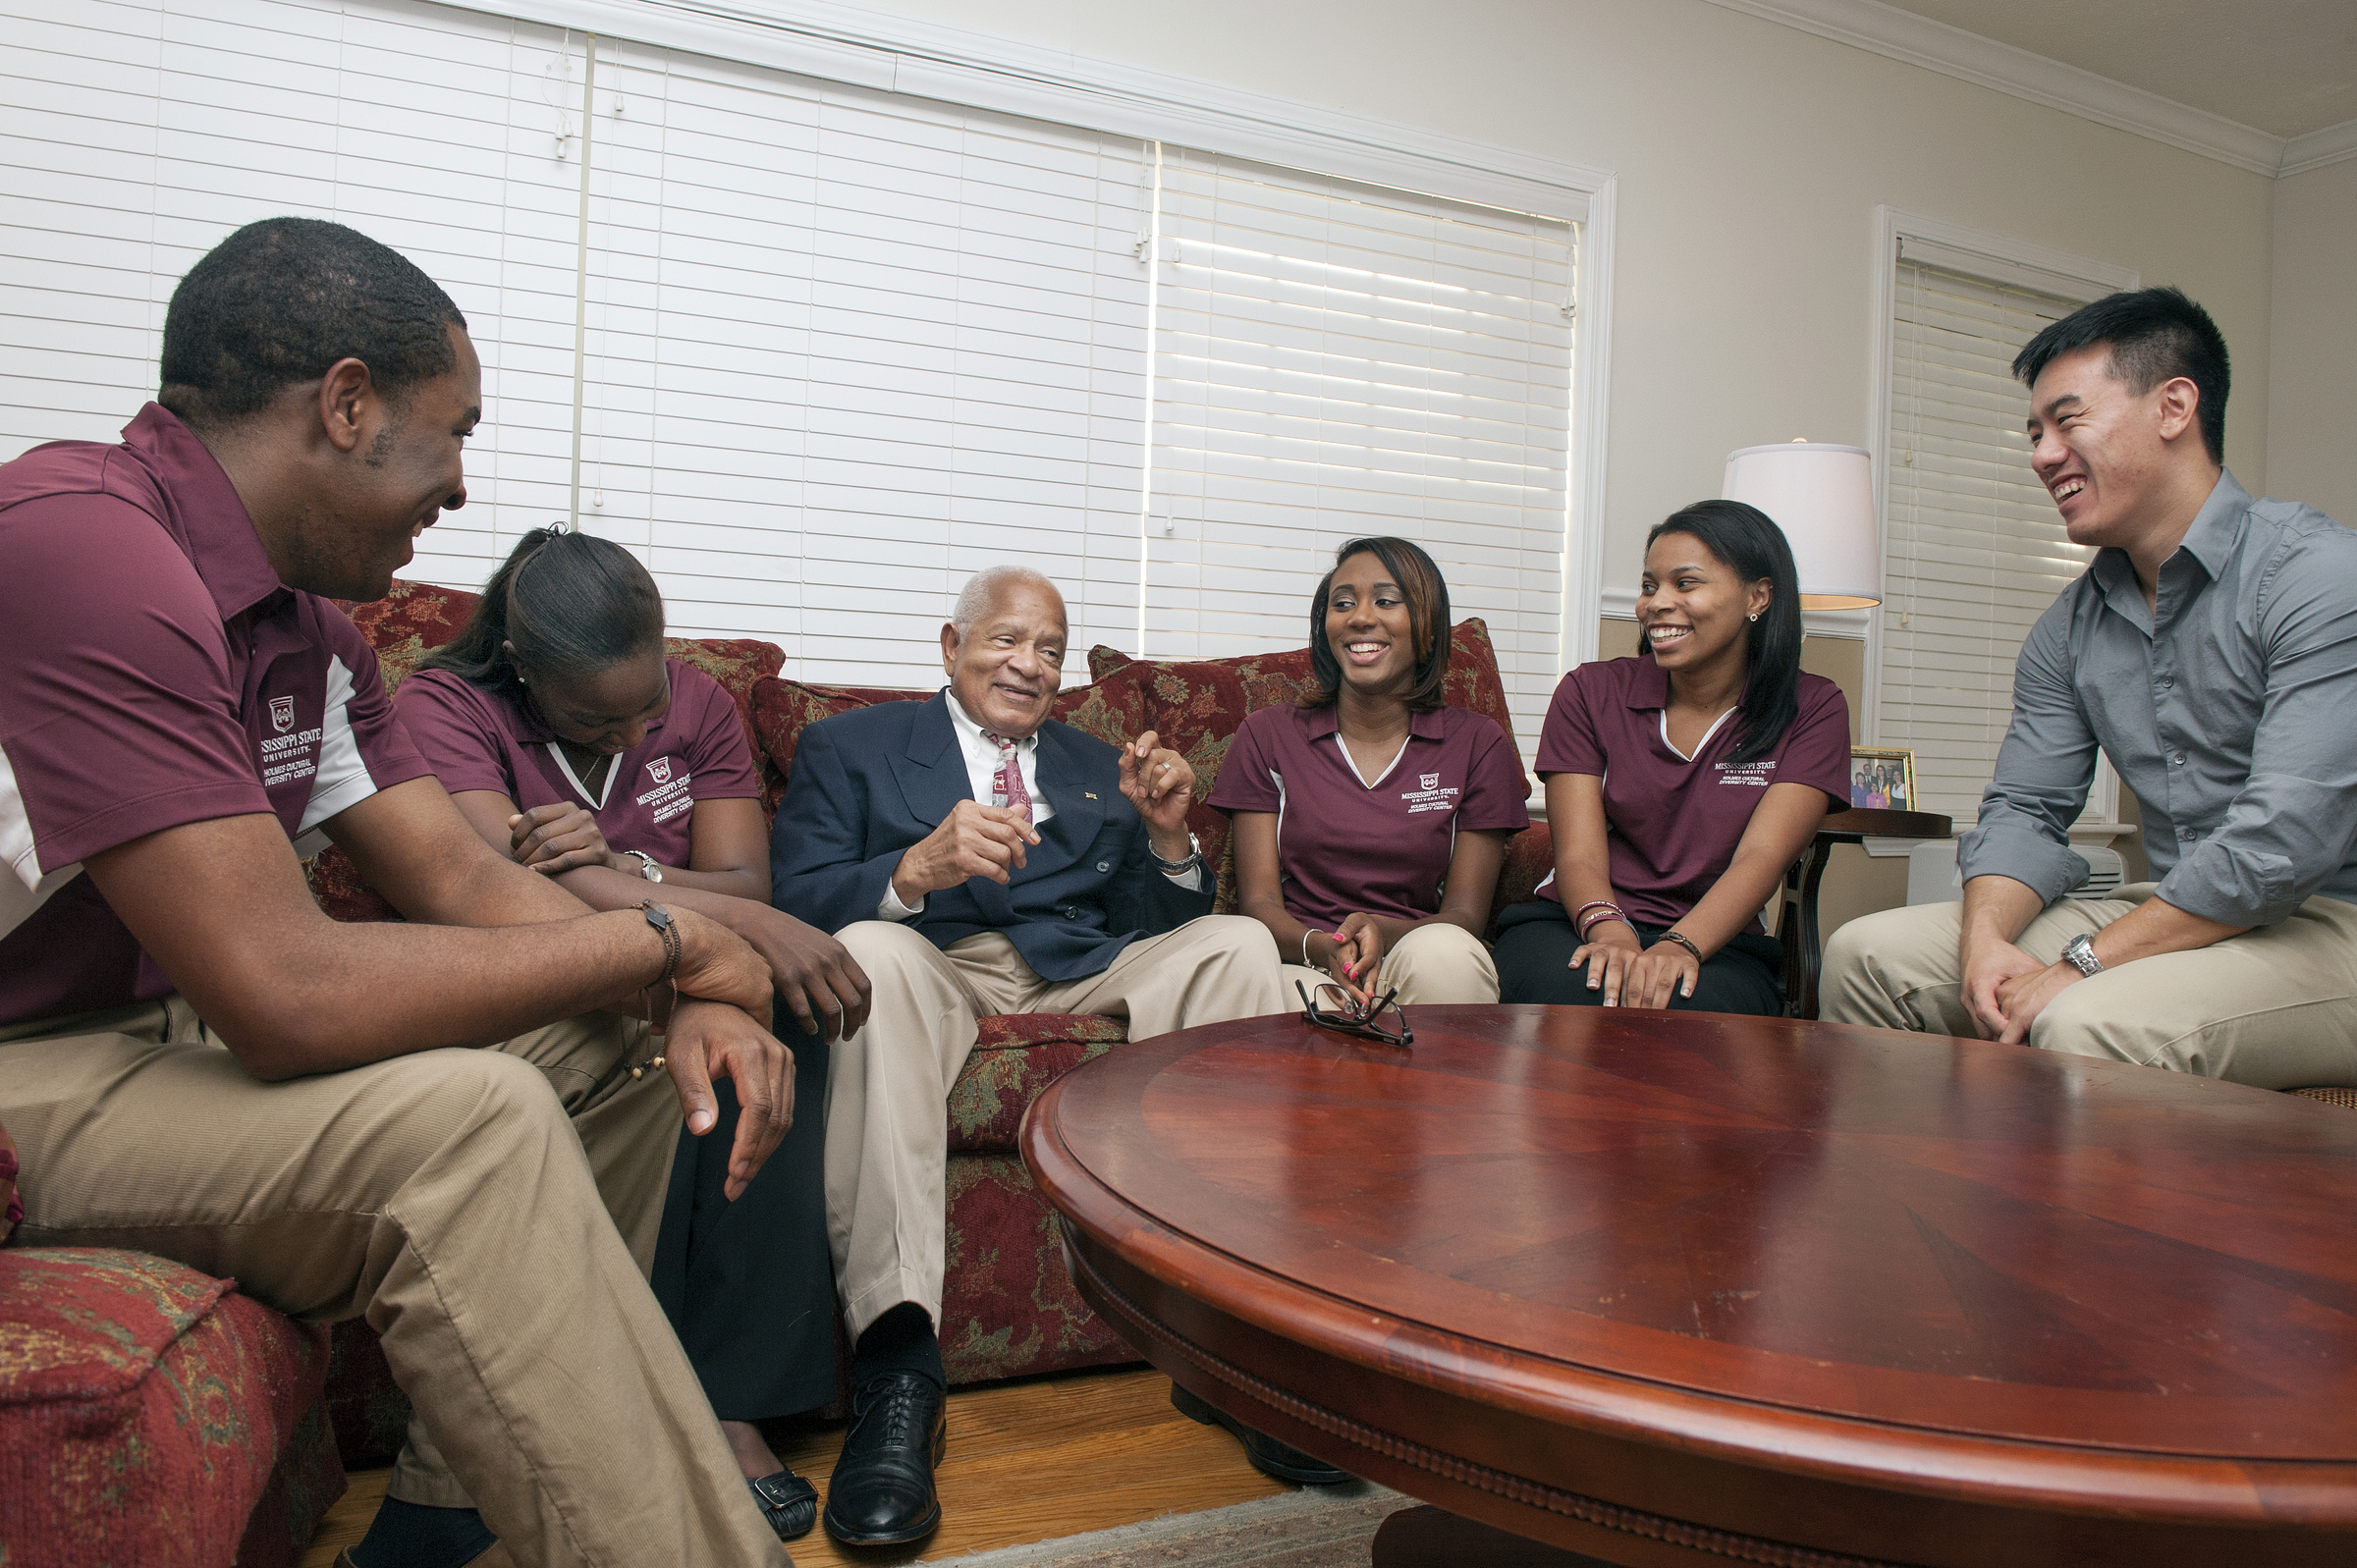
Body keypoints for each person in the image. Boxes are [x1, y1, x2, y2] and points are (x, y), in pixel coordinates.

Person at [0, 217, 793, 1567]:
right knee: (466, 1117)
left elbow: (466, 885)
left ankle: (446, 1513)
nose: (467, 491)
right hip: (26, 1073)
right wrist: (671, 947)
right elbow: (287, 995)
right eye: (454, 430)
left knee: (606, 1053)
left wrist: (674, 989)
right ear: (348, 402)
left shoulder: (310, 634)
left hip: (158, 1045)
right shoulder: (82, 547)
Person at [772, 566, 1292, 1543]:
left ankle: (1234, 1347)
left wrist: (1171, 840)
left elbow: (1143, 926)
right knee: (872, 956)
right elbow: (791, 904)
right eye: (1007, 639)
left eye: (1050, 649)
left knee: (1238, 943)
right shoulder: (851, 746)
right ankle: (896, 1368)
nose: (1030, 663)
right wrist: (910, 872)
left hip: (1071, 968)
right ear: (950, 645)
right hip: (935, 958)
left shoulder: (1096, 766)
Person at [393, 526, 871, 1543]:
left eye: (644, 705)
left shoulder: (696, 702)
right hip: (530, 980)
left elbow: (747, 884)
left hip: (670, 954)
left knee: (784, 1005)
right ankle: (627, 1402)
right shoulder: (446, 706)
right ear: (526, 674)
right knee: (688, 1018)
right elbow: (499, 890)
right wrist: (682, 921)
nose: (629, 733)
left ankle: (731, 1398)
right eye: (594, 719)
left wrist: (620, 865)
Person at [1824, 288, 2357, 1086]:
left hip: (2327, 921)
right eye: (2035, 431)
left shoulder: (2317, 575)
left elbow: (2282, 842)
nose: (2041, 453)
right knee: (1866, 954)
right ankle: (1917, 1205)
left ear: (2175, 406)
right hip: (2177, 905)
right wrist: (1986, 942)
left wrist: (2081, 962)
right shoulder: (2068, 627)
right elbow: (2026, 809)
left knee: (2084, 1020)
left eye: (2067, 421)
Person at [1496, 501, 1850, 1013]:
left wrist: (1680, 946)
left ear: (1758, 595)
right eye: (1648, 586)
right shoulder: (1589, 692)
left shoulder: (1814, 707)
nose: (1655, 603)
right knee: (1584, 991)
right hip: (1577, 921)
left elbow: (1761, 859)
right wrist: (1610, 932)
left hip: (1719, 941)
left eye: (1685, 584)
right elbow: (1578, 856)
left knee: (1691, 1014)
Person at [1209, 537, 1528, 1008]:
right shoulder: (1268, 735)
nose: (1360, 616)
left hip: (1412, 951)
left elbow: (1463, 914)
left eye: (1386, 600)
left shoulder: (1478, 744)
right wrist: (1324, 947)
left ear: (1429, 629)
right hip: (1300, 959)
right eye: (1343, 603)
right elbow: (1260, 907)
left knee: (1449, 954)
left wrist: (1383, 931)